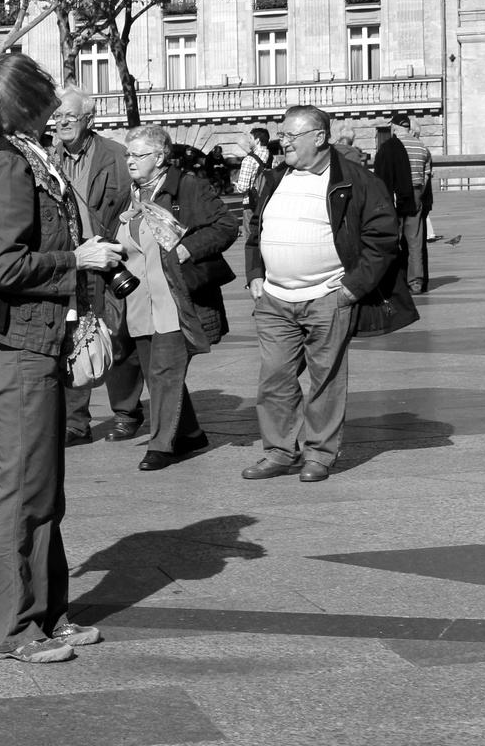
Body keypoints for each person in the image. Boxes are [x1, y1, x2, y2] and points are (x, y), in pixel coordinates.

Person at [0, 53, 122, 664]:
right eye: (46, 87)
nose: (57, 96)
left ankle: (49, 614)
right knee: (22, 493)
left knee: (45, 491)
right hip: (15, 346)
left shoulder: (30, 156)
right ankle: (10, 629)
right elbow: (4, 267)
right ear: (25, 99)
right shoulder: (5, 164)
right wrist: (75, 261)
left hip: (39, 339)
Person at [244, 104, 412, 483]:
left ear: (319, 137)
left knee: (326, 380)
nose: (281, 141)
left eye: (290, 135)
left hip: (327, 297)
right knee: (274, 379)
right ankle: (279, 451)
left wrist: (352, 289)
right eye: (281, 134)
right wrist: (255, 273)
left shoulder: (357, 179)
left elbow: (383, 238)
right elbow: (255, 227)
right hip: (274, 298)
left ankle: (319, 454)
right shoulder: (273, 178)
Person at [114, 125, 238, 471]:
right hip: (139, 302)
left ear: (160, 156)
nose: (130, 161)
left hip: (175, 299)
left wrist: (188, 248)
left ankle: (161, 445)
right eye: (128, 154)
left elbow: (226, 226)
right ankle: (190, 432)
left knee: (165, 371)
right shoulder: (131, 194)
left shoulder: (188, 186)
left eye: (137, 155)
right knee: (156, 373)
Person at [48, 83, 138, 445]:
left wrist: (119, 244)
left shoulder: (116, 155)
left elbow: (134, 203)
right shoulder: (47, 158)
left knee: (119, 333)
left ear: (89, 118)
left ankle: (127, 411)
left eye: (71, 115)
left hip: (109, 255)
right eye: (58, 116)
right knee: (72, 337)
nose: (62, 122)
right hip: (70, 260)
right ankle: (75, 420)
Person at [375, 114, 429, 295]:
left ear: (395, 127)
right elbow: (427, 175)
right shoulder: (422, 146)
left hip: (395, 195)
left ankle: (392, 280)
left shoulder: (390, 146)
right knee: (415, 242)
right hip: (415, 194)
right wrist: (419, 194)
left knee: (392, 239)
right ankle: (416, 283)